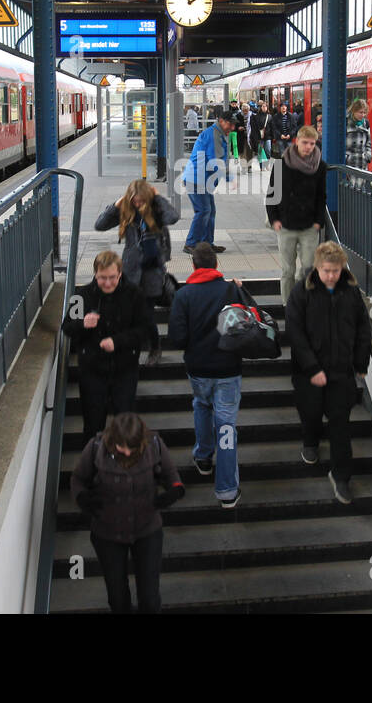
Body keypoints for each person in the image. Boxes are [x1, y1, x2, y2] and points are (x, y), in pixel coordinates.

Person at [71, 411, 183, 613]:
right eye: (123, 447)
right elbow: (78, 479)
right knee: (117, 598)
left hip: (147, 529)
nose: (128, 453)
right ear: (113, 440)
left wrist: (174, 489)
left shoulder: (154, 444)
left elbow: (171, 474)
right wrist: (83, 498)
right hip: (107, 533)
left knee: (149, 598)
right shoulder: (96, 446)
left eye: (133, 448)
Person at [285, 241, 371, 505]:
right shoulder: (302, 291)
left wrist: (361, 364)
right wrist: (312, 368)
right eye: (326, 271)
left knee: (340, 425)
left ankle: (341, 476)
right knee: (310, 412)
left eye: (335, 270)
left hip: (341, 372)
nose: (331, 275)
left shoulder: (351, 293)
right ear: (317, 267)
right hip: (308, 372)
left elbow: (362, 328)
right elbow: (295, 332)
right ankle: (310, 440)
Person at [165, 243, 243, 508]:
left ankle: (203, 456)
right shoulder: (231, 290)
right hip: (228, 369)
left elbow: (176, 338)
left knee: (201, 405)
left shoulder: (184, 295)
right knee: (226, 426)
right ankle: (227, 491)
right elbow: (244, 327)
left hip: (198, 369)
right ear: (217, 265)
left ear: (193, 265)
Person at [62, 251, 157, 441]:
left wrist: (118, 342)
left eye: (112, 278)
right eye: (102, 278)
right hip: (92, 372)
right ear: (95, 274)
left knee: (125, 425)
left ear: (120, 274)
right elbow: (67, 327)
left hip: (124, 370)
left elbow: (145, 330)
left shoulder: (134, 295)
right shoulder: (82, 295)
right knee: (92, 425)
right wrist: (82, 323)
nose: (107, 283)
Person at [94, 179, 179, 360]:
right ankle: (136, 346)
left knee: (147, 314)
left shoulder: (156, 210)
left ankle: (155, 347)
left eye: (141, 200)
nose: (138, 204)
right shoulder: (127, 211)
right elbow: (99, 225)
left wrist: (157, 197)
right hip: (131, 271)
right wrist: (116, 205)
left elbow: (173, 217)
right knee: (131, 313)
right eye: (135, 200)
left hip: (152, 272)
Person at [267, 124, 327, 300]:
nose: (309, 147)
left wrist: (318, 221)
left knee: (308, 268)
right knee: (288, 270)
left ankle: (304, 302)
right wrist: (274, 220)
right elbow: (271, 194)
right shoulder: (281, 165)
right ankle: (288, 305)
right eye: (305, 142)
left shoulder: (319, 166)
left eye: (312, 143)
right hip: (285, 224)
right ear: (297, 141)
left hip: (309, 225)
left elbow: (321, 196)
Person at [181, 108, 234, 254]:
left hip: (204, 180)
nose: (232, 127)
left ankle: (206, 243)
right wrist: (230, 178)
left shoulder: (219, 134)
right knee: (203, 211)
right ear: (221, 121)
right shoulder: (213, 135)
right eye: (230, 124)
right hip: (196, 179)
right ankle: (191, 243)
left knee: (210, 211)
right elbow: (215, 160)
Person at [345, 99, 372, 170]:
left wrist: (367, 156)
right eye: (360, 112)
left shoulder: (366, 123)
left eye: (364, 112)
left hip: (362, 162)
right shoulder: (346, 122)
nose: (363, 115)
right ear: (354, 111)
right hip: (349, 163)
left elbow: (368, 143)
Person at [249, 99, 271, 166]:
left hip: (268, 136)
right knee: (260, 151)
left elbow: (272, 127)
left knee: (268, 150)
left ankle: (267, 164)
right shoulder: (257, 116)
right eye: (263, 106)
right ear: (261, 107)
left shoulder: (269, 116)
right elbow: (255, 127)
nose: (264, 108)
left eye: (265, 106)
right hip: (259, 137)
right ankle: (261, 166)